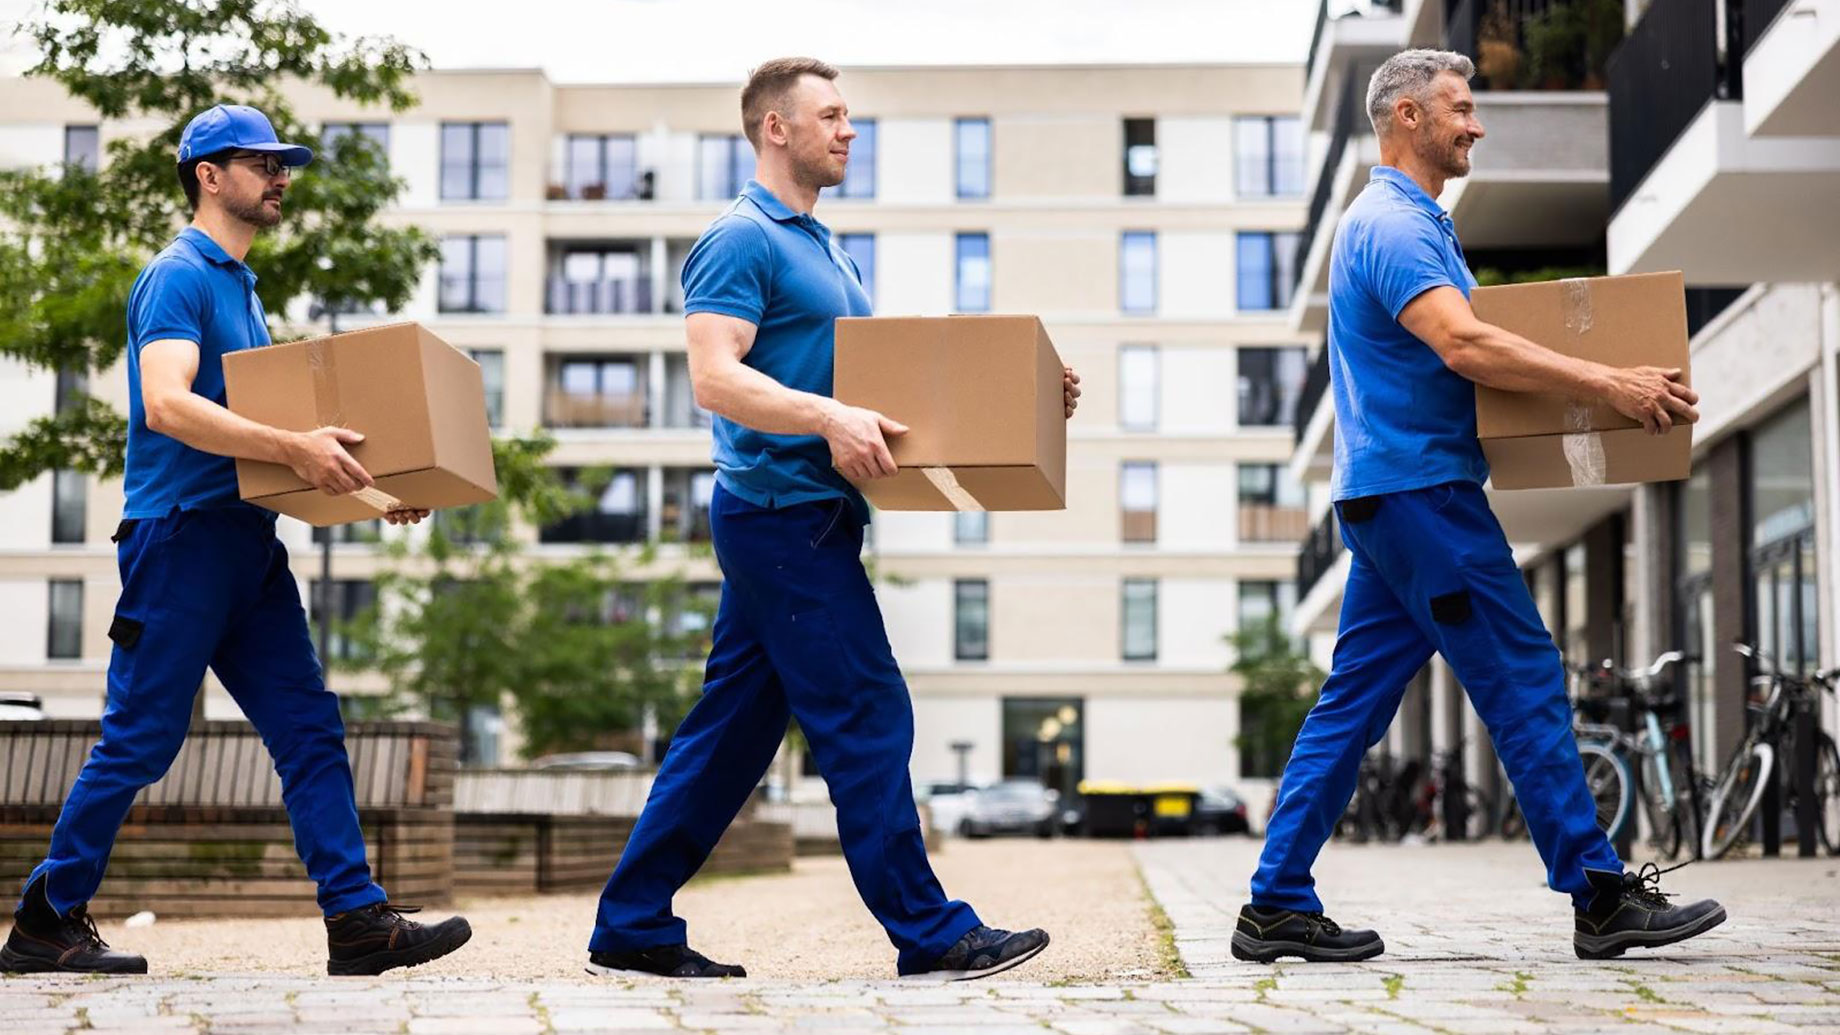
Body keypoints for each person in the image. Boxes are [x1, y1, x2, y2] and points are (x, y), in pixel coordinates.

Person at [586, 58, 1081, 981]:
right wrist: (825, 418)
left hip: (807, 518)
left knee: (728, 736)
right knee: (866, 708)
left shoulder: (827, 250)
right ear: (777, 128)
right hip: (780, 516)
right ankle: (931, 933)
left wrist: (1024, 400)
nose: (850, 131)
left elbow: (876, 389)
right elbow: (713, 376)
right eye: (832, 115)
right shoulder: (742, 239)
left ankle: (631, 921)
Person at [1233, 51, 1725, 964]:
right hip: (1423, 497)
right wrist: (1606, 382)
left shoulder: (1410, 224)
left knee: (1351, 705)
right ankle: (1597, 890)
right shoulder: (1394, 226)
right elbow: (1462, 344)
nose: (1477, 124)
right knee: (1526, 676)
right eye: (1460, 108)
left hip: (1392, 499)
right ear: (1408, 118)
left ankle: (1274, 902)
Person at [0, 104, 471, 978]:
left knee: (309, 730)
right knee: (141, 741)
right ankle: (45, 916)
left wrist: (376, 494)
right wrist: (298, 446)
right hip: (179, 544)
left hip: (248, 546)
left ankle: (356, 920)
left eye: (282, 163)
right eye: (258, 163)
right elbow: (167, 404)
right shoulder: (179, 276)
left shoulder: (243, 290)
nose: (278, 176)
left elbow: (272, 446)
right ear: (207, 176)